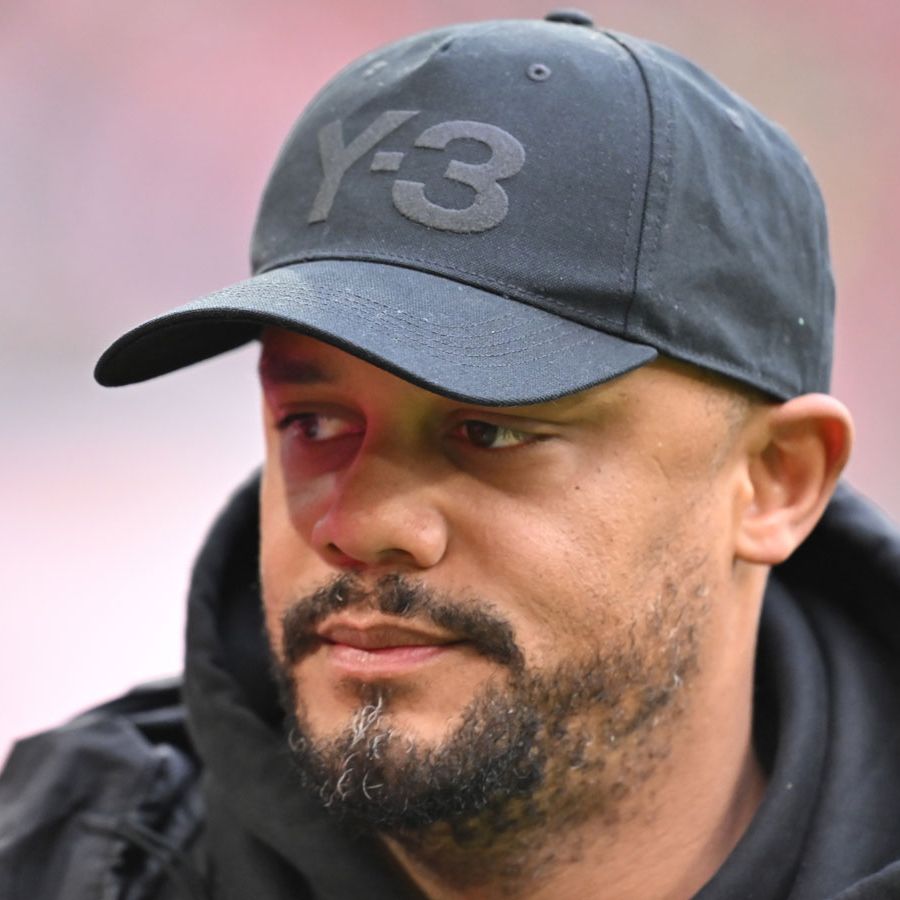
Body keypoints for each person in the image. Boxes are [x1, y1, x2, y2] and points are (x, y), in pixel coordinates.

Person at [2, 10, 899, 900]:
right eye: (313, 424)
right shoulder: (65, 863)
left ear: (777, 481)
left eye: (494, 431)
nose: (358, 525)